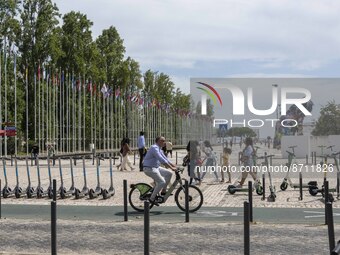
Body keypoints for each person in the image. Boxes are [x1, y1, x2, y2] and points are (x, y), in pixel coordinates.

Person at [143, 136, 177, 206]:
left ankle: (163, 191)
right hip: (149, 168)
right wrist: (171, 167)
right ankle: (151, 199)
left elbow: (165, 158)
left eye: (164, 140)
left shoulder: (159, 149)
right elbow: (161, 159)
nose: (164, 142)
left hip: (156, 167)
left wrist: (173, 165)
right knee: (161, 182)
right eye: (162, 140)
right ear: (158, 141)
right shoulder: (154, 148)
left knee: (169, 174)